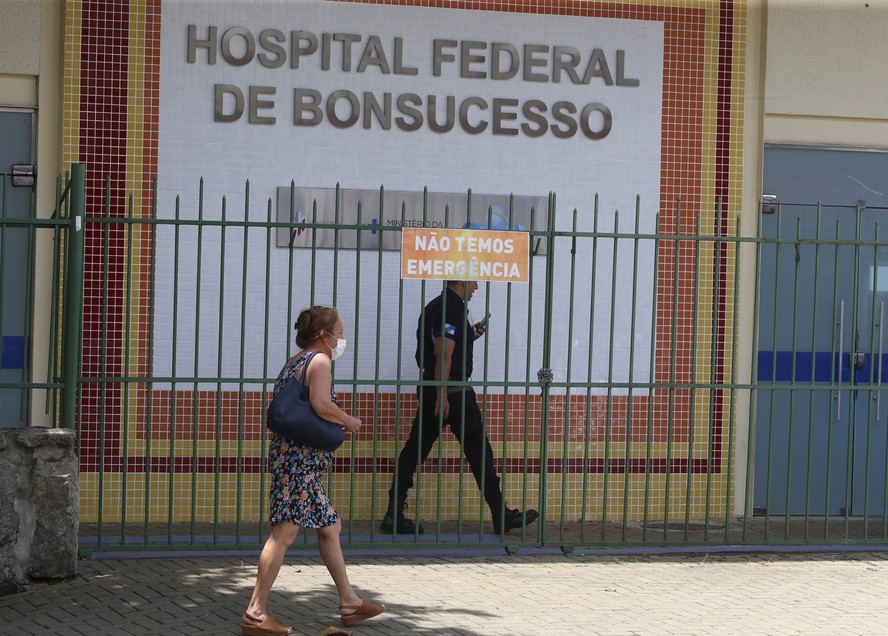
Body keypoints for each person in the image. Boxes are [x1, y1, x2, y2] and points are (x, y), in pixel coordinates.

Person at [242, 306, 385, 636]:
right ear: (324, 334)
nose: (343, 338)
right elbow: (320, 404)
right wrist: (348, 420)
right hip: (298, 464)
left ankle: (349, 601)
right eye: (340, 331)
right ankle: (255, 613)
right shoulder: (319, 362)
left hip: (296, 461)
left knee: (330, 526)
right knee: (284, 533)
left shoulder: (296, 361)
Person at [380, 280, 539, 535]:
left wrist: (469, 335)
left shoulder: (436, 306)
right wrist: (443, 393)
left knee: (414, 451)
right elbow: (444, 351)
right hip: (452, 391)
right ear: (461, 282)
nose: (476, 287)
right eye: (473, 282)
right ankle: (501, 515)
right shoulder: (450, 308)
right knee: (480, 452)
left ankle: (393, 514)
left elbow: (443, 345)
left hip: (436, 386)